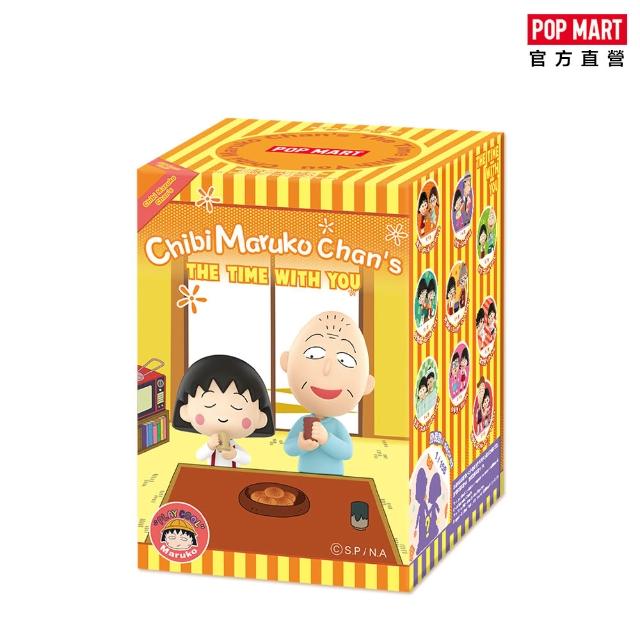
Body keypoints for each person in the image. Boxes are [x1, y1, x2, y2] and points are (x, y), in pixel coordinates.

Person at [281, 311, 375, 475]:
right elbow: (288, 448)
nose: (327, 368)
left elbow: (347, 452)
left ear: (367, 384)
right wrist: (300, 445)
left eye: (345, 360)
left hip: (333, 479)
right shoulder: (302, 422)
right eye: (313, 354)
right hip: (304, 475)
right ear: (287, 363)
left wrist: (327, 439)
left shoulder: (336, 427)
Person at [172, 355, 274, 467]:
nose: (223, 417)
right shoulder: (211, 445)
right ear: (185, 412)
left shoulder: (234, 448)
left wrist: (234, 455)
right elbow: (199, 456)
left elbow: (247, 460)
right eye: (209, 404)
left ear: (261, 419)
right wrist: (209, 446)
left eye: (237, 406)